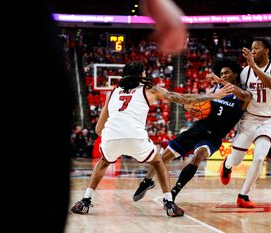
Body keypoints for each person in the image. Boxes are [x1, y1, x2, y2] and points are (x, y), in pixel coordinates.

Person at [70, 62, 233, 217]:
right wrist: (214, 96)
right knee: (158, 162)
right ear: (141, 74)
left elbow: (99, 128)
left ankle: (85, 201)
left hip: (111, 136)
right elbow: (184, 99)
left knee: (103, 162)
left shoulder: (113, 92)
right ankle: (169, 203)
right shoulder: (150, 89)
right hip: (135, 136)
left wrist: (114, 136)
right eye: (144, 72)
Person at [132, 58, 252, 202]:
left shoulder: (243, 96)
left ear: (236, 74)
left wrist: (219, 80)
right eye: (221, 74)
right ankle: (147, 181)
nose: (223, 76)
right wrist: (192, 107)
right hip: (198, 128)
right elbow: (201, 101)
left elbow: (244, 95)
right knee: (163, 158)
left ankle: (175, 191)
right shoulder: (216, 89)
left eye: (226, 73)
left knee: (198, 155)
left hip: (213, 137)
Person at [220, 37, 271, 208]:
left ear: (266, 51)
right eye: (251, 48)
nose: (253, 50)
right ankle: (227, 164)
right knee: (236, 160)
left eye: (256, 48)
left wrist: (254, 67)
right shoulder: (244, 72)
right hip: (248, 119)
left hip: (268, 121)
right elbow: (240, 94)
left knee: (259, 158)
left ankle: (243, 195)